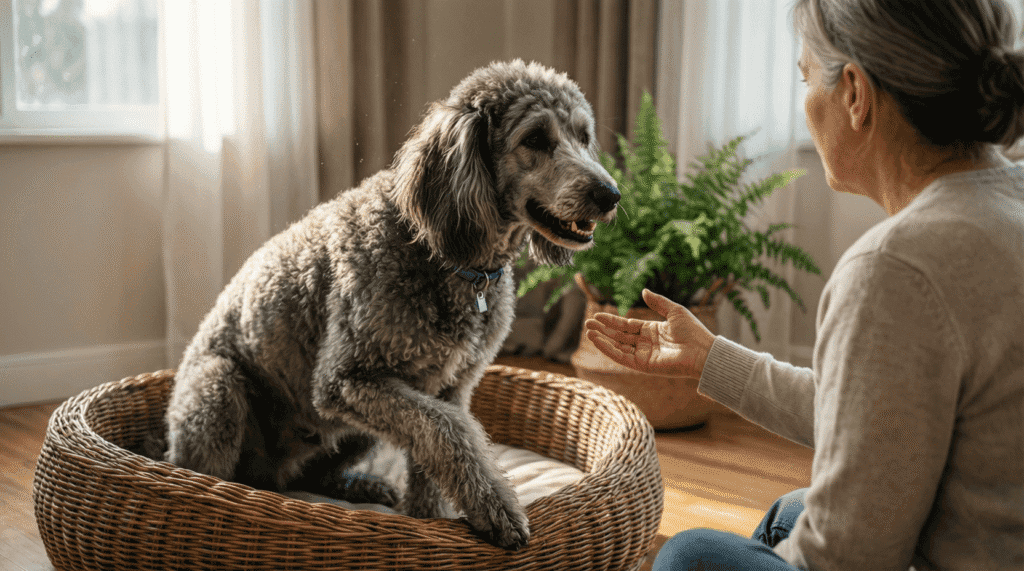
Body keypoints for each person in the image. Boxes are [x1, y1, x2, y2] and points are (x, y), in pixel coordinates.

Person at [584, 0, 1024, 569]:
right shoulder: (1007, 197)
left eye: (805, 78)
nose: (805, 101)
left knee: (690, 555)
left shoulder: (896, 268)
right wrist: (709, 358)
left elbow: (847, 557)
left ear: (856, 96)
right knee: (791, 510)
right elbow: (882, 415)